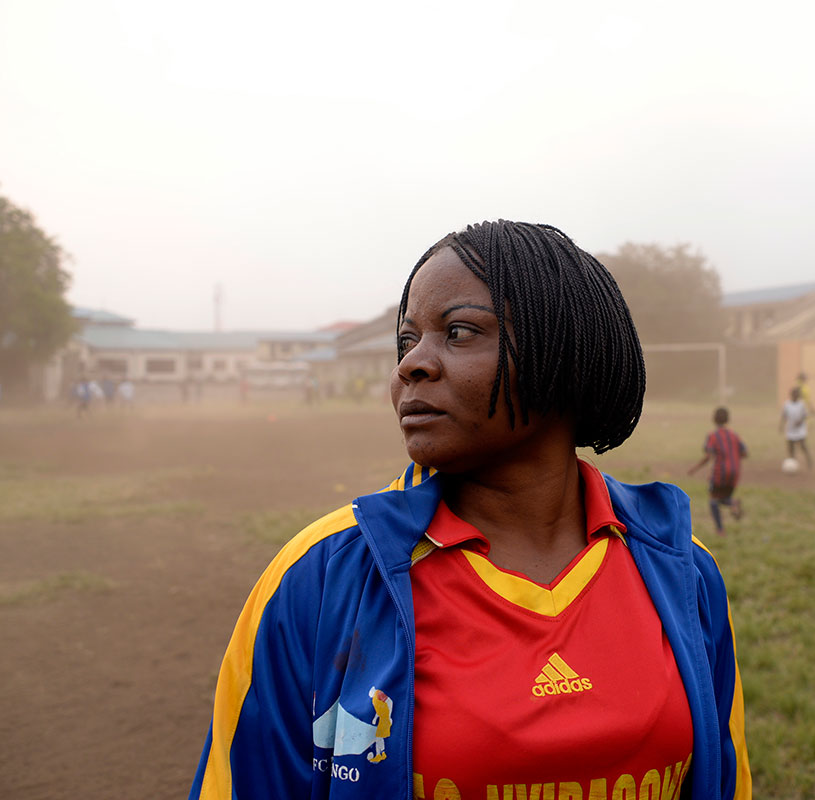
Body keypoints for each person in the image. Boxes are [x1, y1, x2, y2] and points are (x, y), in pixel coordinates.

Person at [190, 221, 751, 800]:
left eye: (458, 332)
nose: (411, 365)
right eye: (408, 342)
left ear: (562, 352)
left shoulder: (680, 570)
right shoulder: (319, 576)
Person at [688, 407, 748, 537]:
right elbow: (744, 453)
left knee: (713, 500)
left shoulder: (712, 436)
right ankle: (733, 503)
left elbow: (708, 456)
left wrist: (694, 468)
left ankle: (720, 530)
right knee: (723, 498)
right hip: (735, 472)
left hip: (720, 473)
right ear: (728, 419)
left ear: (714, 419)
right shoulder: (734, 435)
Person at [779, 386, 812, 469]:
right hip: (790, 429)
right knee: (791, 448)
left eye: (797, 394)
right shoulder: (787, 404)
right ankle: (793, 464)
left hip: (800, 429)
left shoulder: (802, 404)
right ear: (791, 394)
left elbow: (805, 415)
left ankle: (809, 461)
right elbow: (784, 416)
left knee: (803, 446)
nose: (796, 396)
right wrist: (781, 426)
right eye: (794, 394)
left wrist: (800, 421)